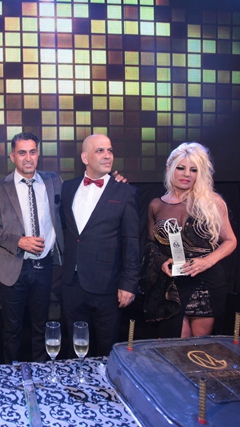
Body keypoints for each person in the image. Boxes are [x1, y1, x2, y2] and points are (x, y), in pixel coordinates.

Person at [142, 142, 237, 338]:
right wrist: (161, 261)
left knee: (201, 347)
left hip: (206, 282)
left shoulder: (212, 202)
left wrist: (206, 261)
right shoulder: (156, 205)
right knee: (176, 344)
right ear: (169, 168)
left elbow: (230, 241)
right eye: (181, 168)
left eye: (193, 170)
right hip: (172, 284)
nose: (187, 174)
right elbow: (150, 244)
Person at [0, 132, 64, 364]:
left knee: (41, 327)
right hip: (13, 267)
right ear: (12, 156)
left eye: (32, 152)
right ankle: (13, 373)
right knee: (12, 330)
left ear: (38, 154)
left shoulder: (54, 181)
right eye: (22, 153)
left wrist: (112, 180)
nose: (28, 158)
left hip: (44, 266)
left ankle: (41, 372)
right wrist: (19, 241)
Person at [61, 134, 140, 357]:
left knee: (107, 348)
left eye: (110, 150)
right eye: (100, 151)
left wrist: (129, 283)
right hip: (72, 284)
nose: (107, 155)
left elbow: (132, 241)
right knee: (75, 348)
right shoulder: (68, 188)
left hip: (108, 286)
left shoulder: (125, 192)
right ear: (85, 157)